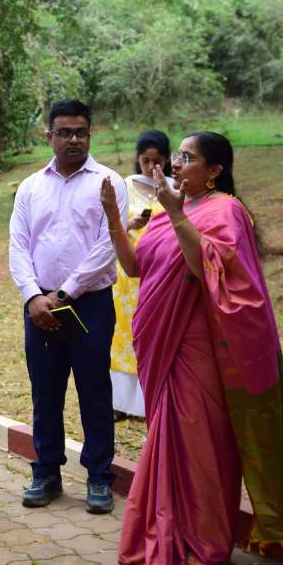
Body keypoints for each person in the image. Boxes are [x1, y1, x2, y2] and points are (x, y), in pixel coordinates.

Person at [105, 130, 283, 565]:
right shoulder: (169, 210)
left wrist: (175, 212)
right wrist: (112, 217)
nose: (176, 165)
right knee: (167, 439)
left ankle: (207, 543)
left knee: (201, 445)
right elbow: (133, 267)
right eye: (178, 158)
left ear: (215, 170)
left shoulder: (227, 210)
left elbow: (206, 271)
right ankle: (166, 530)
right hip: (160, 344)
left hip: (199, 347)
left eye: (187, 158)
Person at [8, 99, 126, 513]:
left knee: (94, 391)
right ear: (50, 136)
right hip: (38, 305)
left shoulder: (109, 182)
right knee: (45, 389)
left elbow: (109, 246)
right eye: (65, 132)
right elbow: (18, 245)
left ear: (90, 134)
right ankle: (46, 472)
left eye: (81, 132)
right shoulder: (30, 187)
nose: (74, 139)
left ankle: (99, 477)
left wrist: (66, 293)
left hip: (89, 305)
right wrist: (32, 296)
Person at [110, 130, 173, 419]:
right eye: (145, 161)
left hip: (161, 274)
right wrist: (130, 225)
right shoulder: (125, 187)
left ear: (167, 159)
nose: (150, 167)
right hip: (127, 277)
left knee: (153, 334)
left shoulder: (175, 189)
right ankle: (120, 403)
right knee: (124, 334)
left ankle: (150, 402)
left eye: (157, 160)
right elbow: (108, 227)